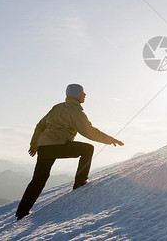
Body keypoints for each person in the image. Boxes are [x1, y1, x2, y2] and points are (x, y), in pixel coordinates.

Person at [16, 84, 124, 220]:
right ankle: (80, 182)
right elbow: (89, 131)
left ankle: (22, 212)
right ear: (77, 94)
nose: (85, 95)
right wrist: (109, 139)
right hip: (58, 146)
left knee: (38, 180)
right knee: (87, 149)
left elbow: (40, 126)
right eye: (83, 93)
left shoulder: (57, 107)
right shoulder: (75, 111)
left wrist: (34, 144)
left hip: (44, 148)